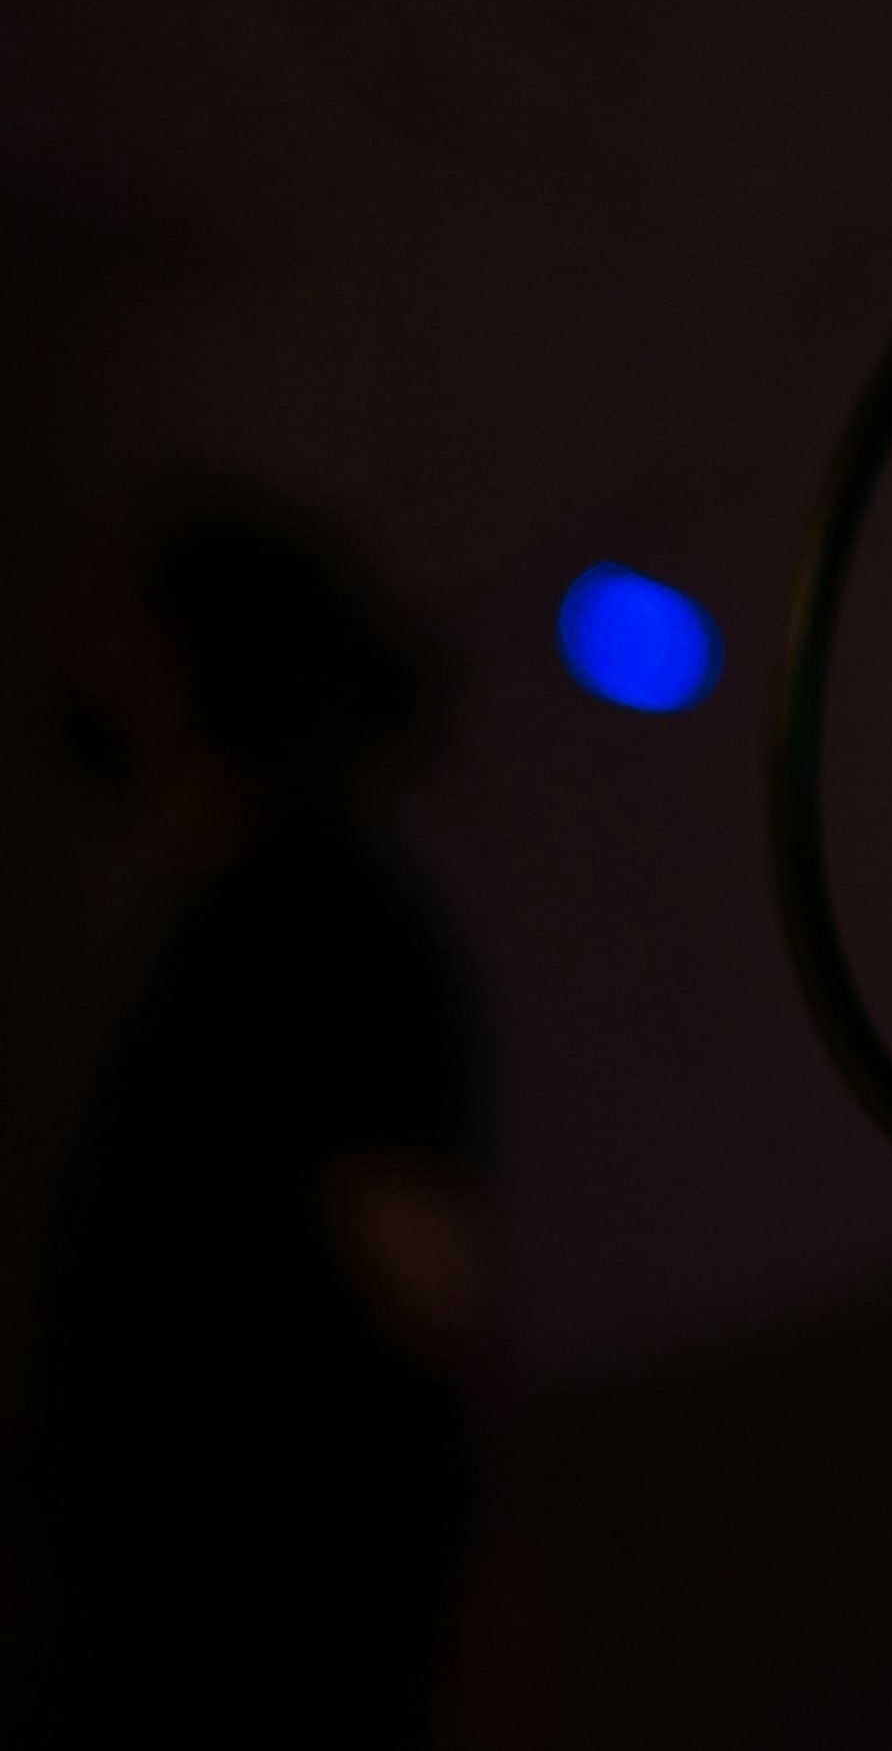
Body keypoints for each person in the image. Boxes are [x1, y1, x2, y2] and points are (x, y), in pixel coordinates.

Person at [25, 498, 488, 1748]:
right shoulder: (244, 919)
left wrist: (477, 1602)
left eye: (124, 635)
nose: (81, 659)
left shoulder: (306, 916)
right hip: (207, 1615)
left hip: (272, 1628)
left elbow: (426, 1282)